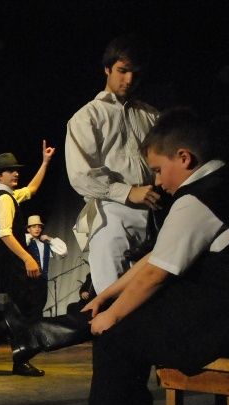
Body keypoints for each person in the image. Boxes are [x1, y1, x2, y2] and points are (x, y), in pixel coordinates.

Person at [64, 108, 229, 405]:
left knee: (114, 339)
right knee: (120, 322)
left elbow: (155, 273)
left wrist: (111, 317)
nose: (157, 181)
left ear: (184, 158)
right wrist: (106, 297)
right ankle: (57, 337)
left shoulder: (197, 199)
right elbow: (156, 256)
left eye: (158, 169)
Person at [66, 34, 160, 295]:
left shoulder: (151, 115)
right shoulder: (87, 117)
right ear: (107, 69)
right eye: (122, 70)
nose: (129, 80)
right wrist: (127, 191)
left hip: (155, 213)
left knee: (151, 296)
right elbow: (81, 175)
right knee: (113, 296)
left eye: (135, 74)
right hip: (112, 213)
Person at [0, 147, 55, 377]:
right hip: (11, 263)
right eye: (10, 170)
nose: (16, 173)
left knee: (23, 310)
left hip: (12, 262)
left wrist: (45, 162)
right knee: (24, 311)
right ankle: (14, 357)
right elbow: (5, 234)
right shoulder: (3, 200)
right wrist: (27, 258)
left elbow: (32, 189)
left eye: (16, 170)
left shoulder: (9, 196)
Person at [25, 214, 68, 317]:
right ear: (28, 229)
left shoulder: (45, 244)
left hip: (42, 281)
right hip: (27, 282)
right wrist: (29, 236)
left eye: (39, 227)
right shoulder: (25, 242)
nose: (37, 229)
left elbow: (63, 251)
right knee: (28, 310)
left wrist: (50, 239)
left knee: (39, 308)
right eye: (34, 226)